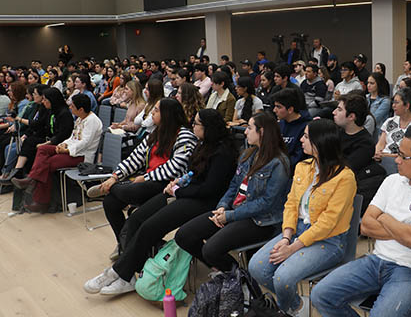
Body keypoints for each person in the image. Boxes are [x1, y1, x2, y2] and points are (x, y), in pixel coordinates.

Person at [312, 125, 411, 317]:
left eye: (403, 156)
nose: (396, 160)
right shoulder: (392, 181)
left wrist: (383, 218)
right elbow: (366, 226)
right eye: (397, 153)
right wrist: (407, 228)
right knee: (321, 295)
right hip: (377, 261)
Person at [84, 109, 238, 296]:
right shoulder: (203, 144)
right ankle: (130, 272)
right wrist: (180, 182)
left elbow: (210, 189)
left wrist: (179, 190)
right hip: (186, 192)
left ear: (208, 128)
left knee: (150, 227)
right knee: (137, 219)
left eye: (197, 123)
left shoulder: (222, 152)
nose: (193, 126)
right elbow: (193, 174)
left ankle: (119, 273)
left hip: (205, 202)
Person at [249, 118, 356, 315]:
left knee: (283, 277)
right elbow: (291, 204)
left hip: (329, 240)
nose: (301, 140)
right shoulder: (303, 166)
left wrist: (292, 249)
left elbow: (328, 222)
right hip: (297, 230)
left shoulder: (344, 177)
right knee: (256, 267)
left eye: (306, 137)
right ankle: (297, 306)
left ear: (320, 143)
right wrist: (286, 238)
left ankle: (286, 310)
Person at [177, 112, 291, 274]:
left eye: (250, 128)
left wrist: (230, 215)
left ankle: (241, 279)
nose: (245, 132)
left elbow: (266, 203)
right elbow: (233, 186)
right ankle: (227, 272)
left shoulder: (279, 163)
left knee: (211, 249)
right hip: (234, 210)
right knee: (184, 235)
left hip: (259, 220)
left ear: (262, 132)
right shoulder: (247, 154)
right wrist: (223, 206)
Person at [86, 98, 198, 244]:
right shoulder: (155, 134)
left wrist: (145, 177)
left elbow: (175, 167)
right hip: (149, 181)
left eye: (156, 110)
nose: (152, 113)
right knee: (110, 203)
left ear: (167, 114)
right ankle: (124, 243)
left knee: (128, 191)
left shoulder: (185, 136)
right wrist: (115, 176)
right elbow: (135, 158)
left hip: (168, 186)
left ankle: (110, 188)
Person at [12, 94, 103, 213]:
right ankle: (32, 180)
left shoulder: (92, 121)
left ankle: (41, 200)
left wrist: (67, 150)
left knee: (48, 163)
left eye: (73, 106)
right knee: (42, 149)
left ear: (80, 109)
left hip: (82, 156)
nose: (70, 108)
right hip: (72, 150)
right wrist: (64, 144)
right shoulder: (81, 118)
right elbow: (73, 137)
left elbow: (85, 143)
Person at [375, 88, 411, 174]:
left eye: (396, 102)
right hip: (382, 160)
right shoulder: (390, 121)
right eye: (393, 102)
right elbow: (381, 143)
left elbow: (410, 154)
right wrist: (377, 153)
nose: (393, 105)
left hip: (402, 164)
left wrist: (387, 156)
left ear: (407, 106)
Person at [333, 93, 376, 174]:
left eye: (339, 110)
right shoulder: (337, 132)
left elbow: (346, 169)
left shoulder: (365, 144)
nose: (334, 112)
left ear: (351, 117)